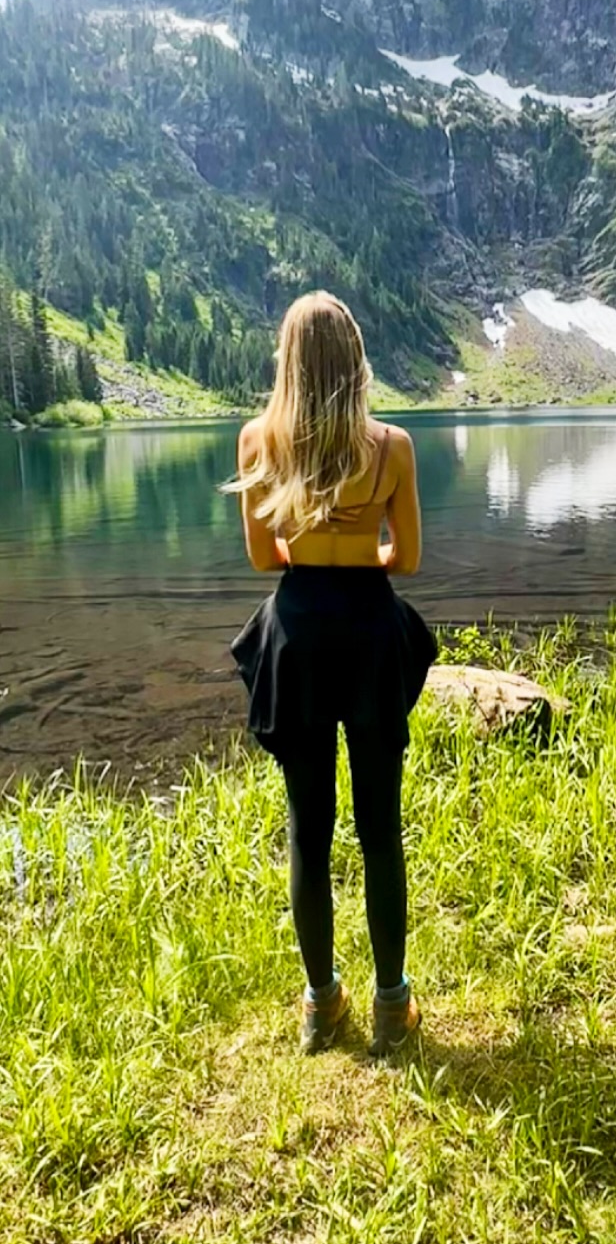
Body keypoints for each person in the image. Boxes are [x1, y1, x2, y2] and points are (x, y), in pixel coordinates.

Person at [226, 291, 435, 1057]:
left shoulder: (257, 443)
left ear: (287, 363)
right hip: (371, 632)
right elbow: (406, 558)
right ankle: (391, 1005)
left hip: (299, 636)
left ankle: (320, 1004)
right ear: (354, 360)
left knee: (307, 833)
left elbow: (260, 558)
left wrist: (310, 551)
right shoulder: (392, 447)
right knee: (381, 829)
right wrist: (361, 553)